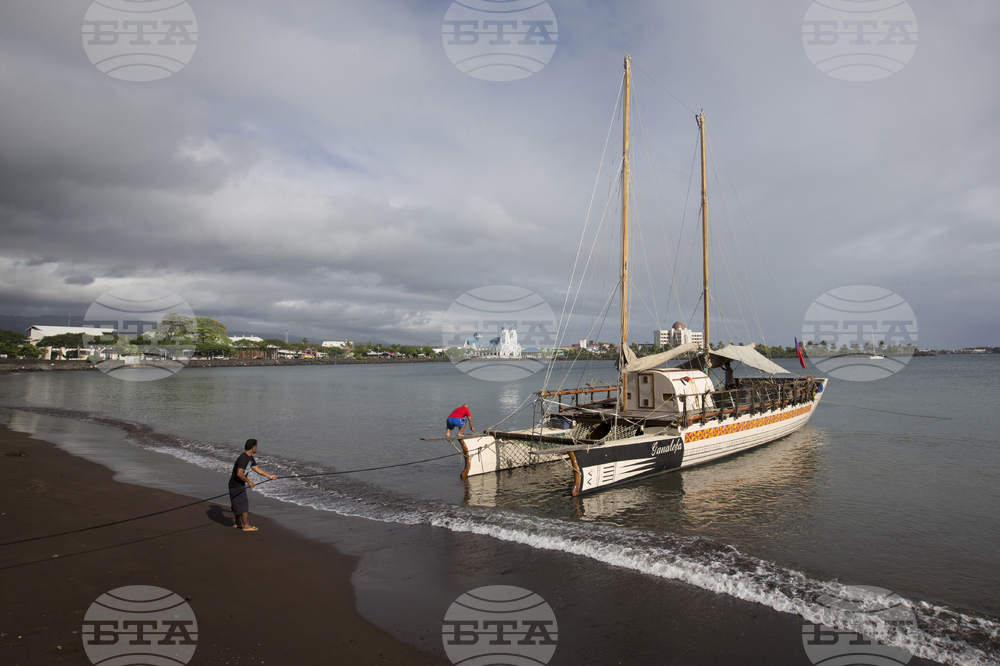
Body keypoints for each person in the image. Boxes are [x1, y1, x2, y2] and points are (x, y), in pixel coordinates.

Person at [229, 438, 277, 532]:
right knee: (243, 504)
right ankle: (246, 526)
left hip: (238, 485)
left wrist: (269, 476)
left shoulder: (250, 458)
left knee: (238, 503)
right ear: (253, 447)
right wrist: (249, 482)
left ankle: (238, 523)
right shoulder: (243, 458)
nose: (257, 448)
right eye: (256, 446)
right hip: (235, 485)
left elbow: (257, 469)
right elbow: (239, 473)